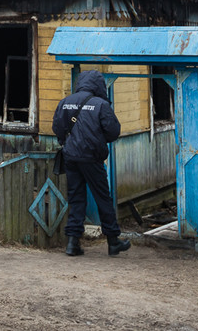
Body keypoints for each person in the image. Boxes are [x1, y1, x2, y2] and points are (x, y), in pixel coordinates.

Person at [51, 69, 131, 257]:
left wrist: (69, 141)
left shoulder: (65, 102)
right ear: (98, 85)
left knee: (76, 197)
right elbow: (113, 132)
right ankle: (113, 241)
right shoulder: (100, 105)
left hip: (70, 157)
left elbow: (57, 127)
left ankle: (72, 243)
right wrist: (96, 139)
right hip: (92, 158)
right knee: (103, 197)